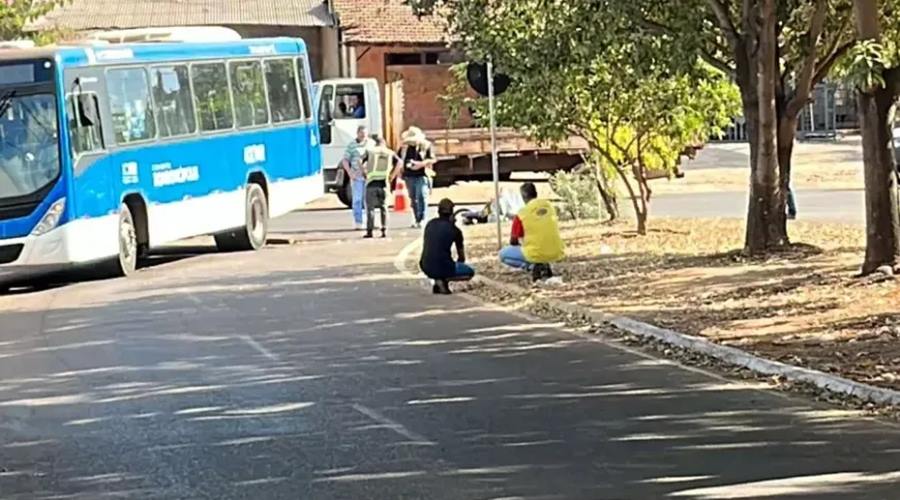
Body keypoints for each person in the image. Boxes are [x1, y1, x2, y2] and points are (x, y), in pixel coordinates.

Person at [499, 182, 565, 281]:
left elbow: (513, 241)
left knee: (503, 255)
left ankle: (532, 266)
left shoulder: (522, 214)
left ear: (523, 196)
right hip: (556, 251)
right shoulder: (549, 206)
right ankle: (543, 265)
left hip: (535, 253)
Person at [420, 198, 475, 294]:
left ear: (438, 211)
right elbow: (461, 258)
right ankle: (443, 280)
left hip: (425, 266)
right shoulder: (455, 230)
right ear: (452, 213)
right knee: (470, 272)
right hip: (444, 267)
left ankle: (437, 280)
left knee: (438, 265)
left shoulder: (430, 224)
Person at [393, 126, 435, 228]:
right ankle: (417, 218)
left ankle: (423, 218)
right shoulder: (404, 148)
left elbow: (432, 159)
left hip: (422, 175)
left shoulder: (426, 146)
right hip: (408, 176)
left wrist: (421, 164)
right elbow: (398, 161)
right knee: (413, 198)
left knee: (422, 196)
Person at [362, 135, 401, 238]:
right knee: (384, 207)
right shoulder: (390, 153)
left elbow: (358, 161)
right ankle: (384, 230)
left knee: (370, 208)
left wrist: (364, 173)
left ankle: (370, 231)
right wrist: (392, 176)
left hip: (371, 183)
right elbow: (400, 162)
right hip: (384, 183)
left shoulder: (370, 151)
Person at [342, 126, 375, 230]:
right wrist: (350, 172)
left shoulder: (371, 144)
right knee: (357, 199)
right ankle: (358, 221)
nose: (363, 135)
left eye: (364, 133)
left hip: (369, 175)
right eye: (361, 133)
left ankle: (371, 220)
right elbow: (345, 160)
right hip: (357, 176)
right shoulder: (352, 145)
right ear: (357, 133)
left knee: (369, 199)